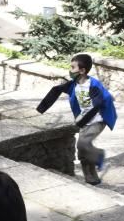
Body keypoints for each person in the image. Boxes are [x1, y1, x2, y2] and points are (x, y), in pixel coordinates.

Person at [35, 53, 116, 185]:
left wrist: (81, 121)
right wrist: (41, 108)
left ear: (82, 70)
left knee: (83, 144)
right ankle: (91, 176)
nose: (70, 70)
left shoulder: (93, 85)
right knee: (82, 150)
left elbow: (98, 104)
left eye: (72, 67)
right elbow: (56, 90)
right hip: (84, 120)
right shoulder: (73, 85)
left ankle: (98, 156)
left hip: (98, 119)